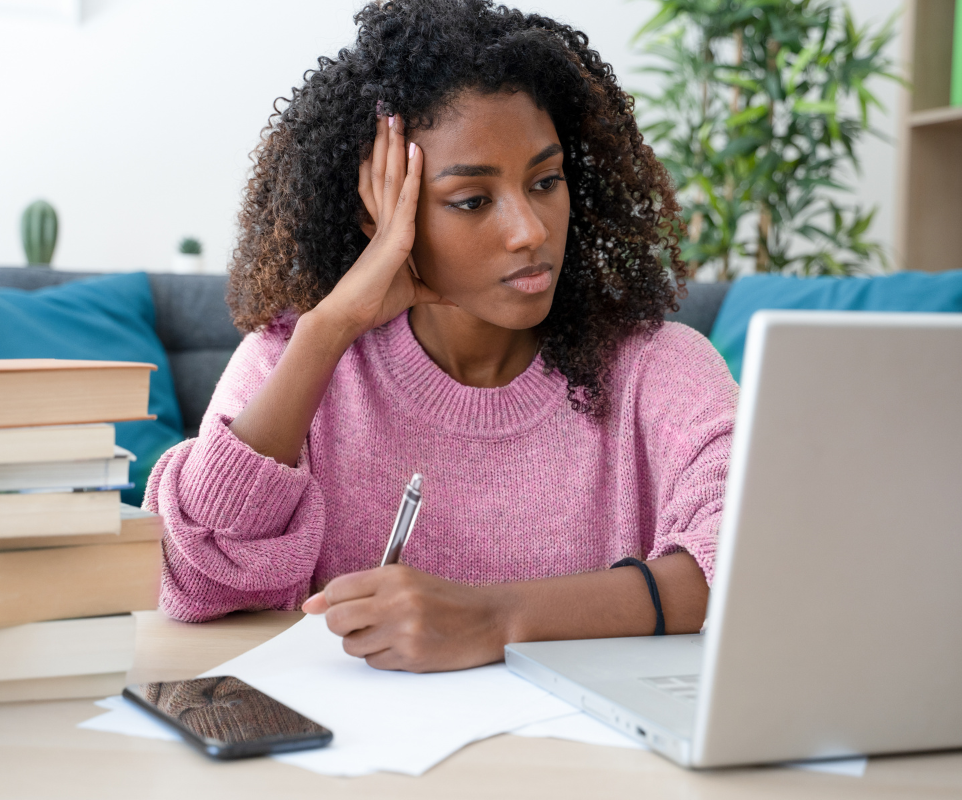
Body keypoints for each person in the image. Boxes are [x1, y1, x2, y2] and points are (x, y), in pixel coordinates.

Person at [145, 0, 737, 673]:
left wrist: (496, 619)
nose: (530, 231)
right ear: (383, 216)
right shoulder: (298, 359)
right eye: (473, 200)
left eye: (546, 181)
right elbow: (196, 582)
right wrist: (329, 327)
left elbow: (756, 559)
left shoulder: (659, 369)